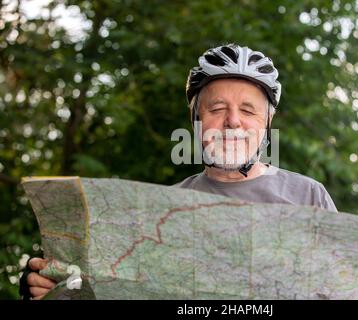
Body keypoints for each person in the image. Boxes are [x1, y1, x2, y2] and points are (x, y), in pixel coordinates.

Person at [19, 44, 337, 299]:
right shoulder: (162, 212)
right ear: (197, 122)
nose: (233, 121)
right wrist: (59, 289)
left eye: (248, 110)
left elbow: (347, 293)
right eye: (217, 109)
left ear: (266, 124)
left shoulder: (308, 196)